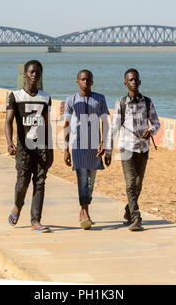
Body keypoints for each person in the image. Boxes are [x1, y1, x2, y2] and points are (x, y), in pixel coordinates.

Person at [6, 60, 54, 233]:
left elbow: (47, 125)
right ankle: (18, 205)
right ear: (25, 74)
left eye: (37, 72)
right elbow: (8, 121)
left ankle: (36, 221)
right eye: (32, 72)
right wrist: (9, 142)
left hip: (41, 148)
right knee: (22, 183)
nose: (34, 75)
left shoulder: (45, 98)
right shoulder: (15, 96)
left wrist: (50, 149)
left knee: (40, 183)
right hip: (23, 149)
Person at [109, 68, 160, 231]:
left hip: (143, 149)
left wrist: (151, 131)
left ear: (139, 82)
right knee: (130, 183)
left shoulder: (147, 102)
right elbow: (113, 127)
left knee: (138, 184)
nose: (133, 82)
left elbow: (156, 123)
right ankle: (136, 217)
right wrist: (109, 150)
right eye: (130, 80)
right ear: (125, 84)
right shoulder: (121, 103)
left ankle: (128, 211)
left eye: (135, 80)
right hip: (126, 147)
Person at [64, 69, 111, 230]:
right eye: (83, 79)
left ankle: (83, 209)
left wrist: (105, 142)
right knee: (82, 178)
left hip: (94, 147)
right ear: (77, 81)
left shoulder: (100, 99)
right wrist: (65, 150)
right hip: (77, 146)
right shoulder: (71, 100)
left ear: (92, 81)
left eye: (88, 79)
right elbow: (66, 126)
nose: (86, 82)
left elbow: (105, 122)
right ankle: (85, 212)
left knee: (90, 181)